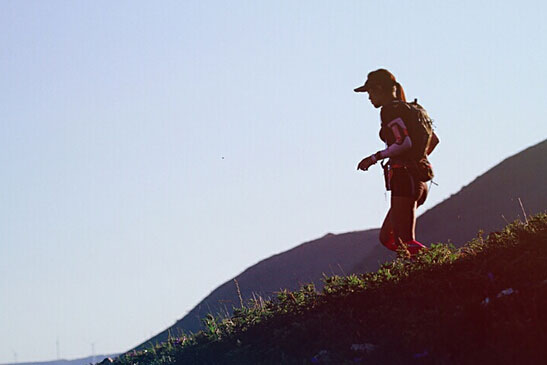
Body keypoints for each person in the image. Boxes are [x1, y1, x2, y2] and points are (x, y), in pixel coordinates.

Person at [354, 69, 439, 256]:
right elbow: (433, 141)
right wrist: (417, 160)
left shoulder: (390, 110)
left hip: (404, 180)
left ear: (379, 89)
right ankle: (423, 268)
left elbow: (404, 143)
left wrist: (374, 158)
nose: (369, 98)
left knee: (405, 242)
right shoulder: (413, 110)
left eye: (369, 92)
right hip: (418, 182)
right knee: (387, 238)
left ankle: (442, 264)